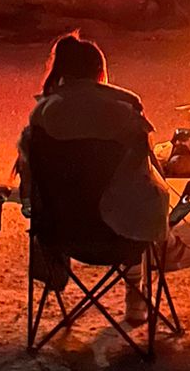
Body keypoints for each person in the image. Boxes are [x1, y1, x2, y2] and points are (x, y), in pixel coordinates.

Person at [18, 34, 173, 321]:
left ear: (62, 71)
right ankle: (136, 293)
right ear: (100, 72)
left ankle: (56, 275)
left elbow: (30, 183)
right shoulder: (126, 109)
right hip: (122, 236)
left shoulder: (42, 115)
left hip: (62, 234)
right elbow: (144, 174)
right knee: (145, 196)